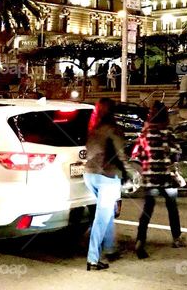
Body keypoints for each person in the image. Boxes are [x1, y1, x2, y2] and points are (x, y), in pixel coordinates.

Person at [133, 102, 186, 258]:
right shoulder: (167, 131)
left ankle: (140, 240)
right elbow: (176, 152)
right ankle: (176, 238)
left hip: (150, 176)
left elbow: (139, 153)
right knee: (172, 207)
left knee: (147, 210)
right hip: (166, 176)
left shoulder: (145, 132)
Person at [84, 98, 128, 271]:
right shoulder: (113, 130)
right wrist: (131, 173)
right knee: (101, 218)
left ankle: (110, 248)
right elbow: (122, 156)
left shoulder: (93, 129)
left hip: (90, 175)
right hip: (107, 176)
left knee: (107, 212)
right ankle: (93, 259)